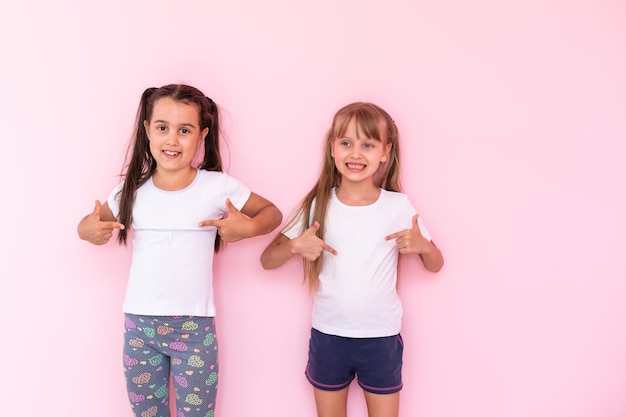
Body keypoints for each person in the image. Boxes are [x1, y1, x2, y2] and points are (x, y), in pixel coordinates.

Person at [77, 84, 282, 417]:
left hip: (194, 328)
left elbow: (271, 213)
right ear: (147, 130)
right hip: (139, 328)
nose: (172, 140)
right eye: (162, 128)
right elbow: (87, 225)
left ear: (201, 135)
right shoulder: (132, 190)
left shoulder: (217, 186)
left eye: (184, 130)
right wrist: (90, 230)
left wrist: (248, 228)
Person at [260, 102, 443, 417]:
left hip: (381, 336)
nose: (355, 153)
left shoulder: (398, 207)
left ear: (385, 152)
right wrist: (294, 248)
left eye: (368, 145)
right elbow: (267, 259)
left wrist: (423, 246)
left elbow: (436, 263)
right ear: (332, 148)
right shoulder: (318, 204)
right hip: (329, 334)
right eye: (346, 143)